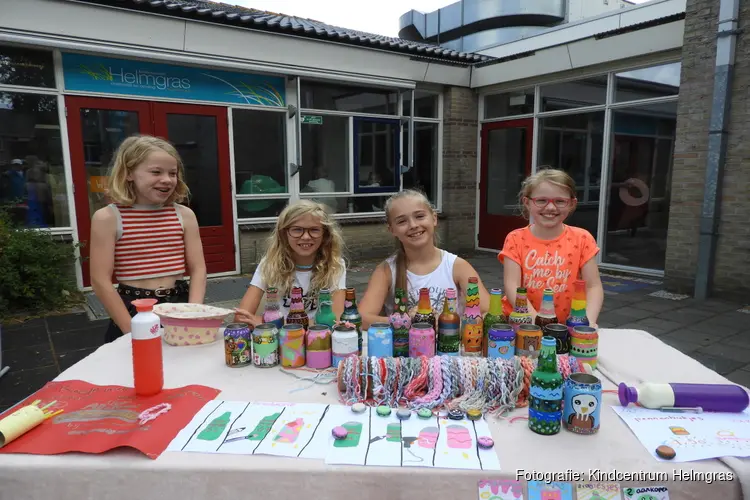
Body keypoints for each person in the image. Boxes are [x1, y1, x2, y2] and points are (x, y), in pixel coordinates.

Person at [89, 135, 207, 343]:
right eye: (156, 172)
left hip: (179, 304)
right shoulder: (107, 218)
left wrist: (193, 312)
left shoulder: (184, 215)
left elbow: (198, 269)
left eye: (173, 173)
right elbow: (100, 280)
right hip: (134, 309)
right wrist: (130, 330)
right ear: (128, 173)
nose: (167, 179)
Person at [358, 189, 490, 329]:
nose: (413, 225)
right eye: (402, 221)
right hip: (404, 349)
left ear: (434, 218)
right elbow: (362, 318)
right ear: (392, 230)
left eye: (420, 216)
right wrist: (406, 320)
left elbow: (488, 312)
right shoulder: (386, 271)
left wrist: (450, 322)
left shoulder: (457, 266)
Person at [498, 168, 604, 326]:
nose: (550, 208)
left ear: (572, 204)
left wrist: (587, 321)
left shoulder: (582, 239)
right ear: (527, 203)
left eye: (560, 201)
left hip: (566, 326)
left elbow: (593, 286)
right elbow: (512, 286)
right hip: (522, 324)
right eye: (541, 200)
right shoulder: (515, 239)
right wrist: (537, 322)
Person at [234, 199, 347, 326]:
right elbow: (241, 318)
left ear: (325, 235)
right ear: (284, 233)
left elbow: (335, 321)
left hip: (317, 340)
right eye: (297, 230)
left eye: (314, 230)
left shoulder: (335, 265)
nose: (305, 236)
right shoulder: (270, 263)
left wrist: (271, 322)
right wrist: (314, 323)